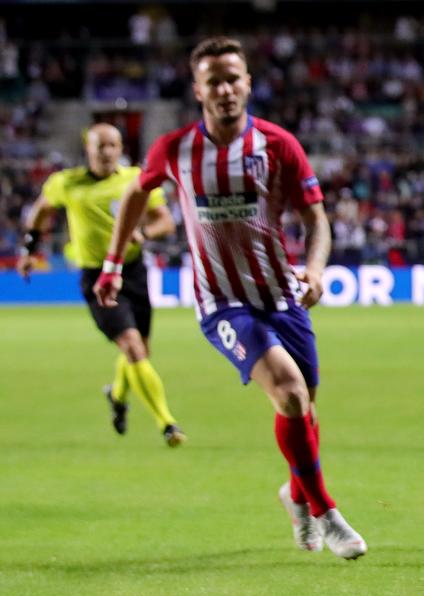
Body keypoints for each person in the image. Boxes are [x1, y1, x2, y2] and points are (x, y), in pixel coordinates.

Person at [96, 36, 366, 560]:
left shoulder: (278, 144)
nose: (224, 89)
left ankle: (295, 495)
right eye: (213, 80)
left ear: (247, 84)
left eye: (232, 78)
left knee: (302, 404)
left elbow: (316, 218)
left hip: (281, 295)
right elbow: (136, 193)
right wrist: (111, 264)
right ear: (198, 90)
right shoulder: (175, 149)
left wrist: (313, 269)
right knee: (289, 391)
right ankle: (325, 510)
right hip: (221, 301)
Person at [18, 123, 185, 446]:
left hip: (133, 271)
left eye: (113, 145)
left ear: (122, 148)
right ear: (87, 149)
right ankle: (168, 423)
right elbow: (40, 213)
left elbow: (164, 221)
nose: (107, 152)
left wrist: (144, 233)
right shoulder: (66, 183)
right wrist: (29, 249)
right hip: (97, 277)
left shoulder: (136, 179)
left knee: (140, 352)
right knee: (134, 348)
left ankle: (117, 395)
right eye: (100, 146)